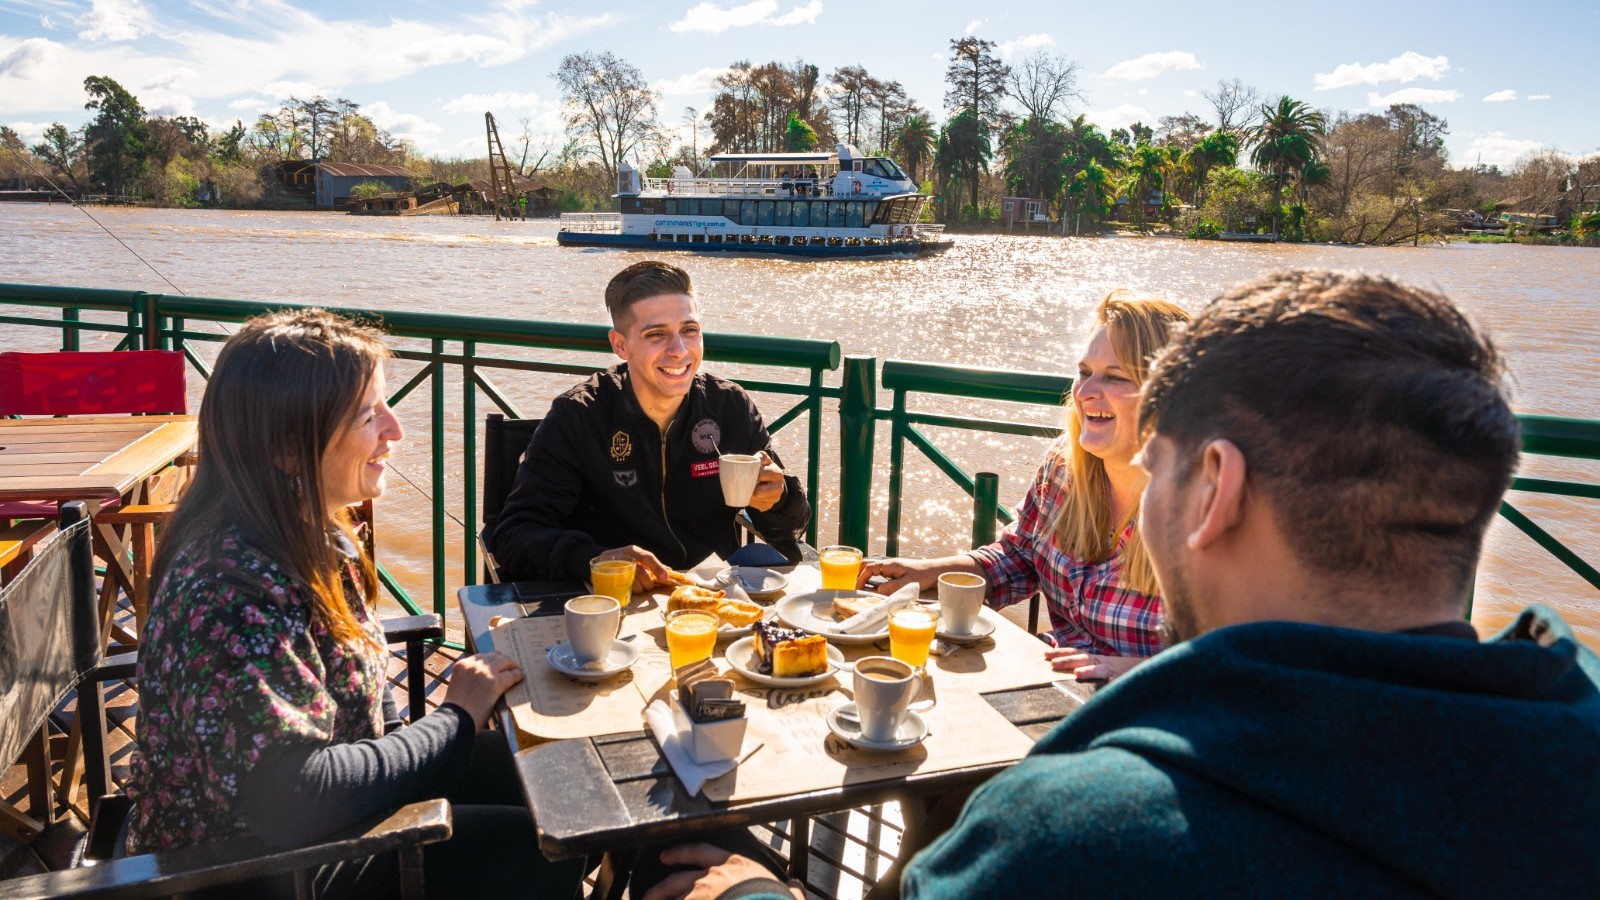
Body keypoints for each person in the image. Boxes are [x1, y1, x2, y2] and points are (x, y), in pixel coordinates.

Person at [648, 269, 1600, 898]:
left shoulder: (1076, 842)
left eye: (1166, 457)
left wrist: (752, 893)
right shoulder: (1571, 751)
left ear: (1213, 491)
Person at [125, 309, 583, 898]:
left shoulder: (308, 530)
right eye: (370, 415)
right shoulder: (230, 589)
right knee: (542, 848)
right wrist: (456, 717)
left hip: (321, 820)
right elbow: (292, 796)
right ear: (289, 449)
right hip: (249, 870)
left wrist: (433, 733)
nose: (394, 430)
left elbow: (363, 708)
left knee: (562, 776)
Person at [860, 292, 1191, 682]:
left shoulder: (1204, 509)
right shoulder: (1064, 470)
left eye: (1115, 377)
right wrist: (932, 571)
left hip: (1157, 714)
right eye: (1084, 373)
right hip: (1051, 684)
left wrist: (1135, 671)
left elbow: (1248, 662)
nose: (1085, 393)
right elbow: (1020, 558)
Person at [487, 260, 811, 589]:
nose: (679, 351)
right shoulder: (580, 416)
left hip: (712, 600)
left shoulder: (729, 406)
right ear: (620, 345)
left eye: (689, 330)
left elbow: (791, 526)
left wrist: (779, 497)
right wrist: (595, 561)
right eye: (656, 334)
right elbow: (514, 536)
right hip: (615, 604)